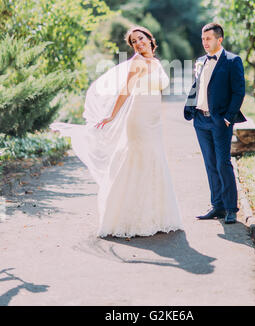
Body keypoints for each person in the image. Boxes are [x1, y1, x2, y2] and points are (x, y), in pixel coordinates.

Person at [51, 25, 183, 238]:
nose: (139, 43)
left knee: (155, 160)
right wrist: (111, 115)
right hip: (138, 120)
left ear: (150, 39)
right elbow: (125, 91)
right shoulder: (137, 63)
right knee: (138, 161)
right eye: (134, 42)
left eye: (141, 38)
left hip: (154, 121)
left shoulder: (156, 63)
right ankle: (128, 217)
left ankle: (157, 215)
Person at [184, 23, 246, 224]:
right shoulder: (200, 60)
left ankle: (230, 208)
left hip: (220, 121)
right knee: (210, 164)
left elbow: (238, 92)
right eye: (203, 39)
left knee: (223, 163)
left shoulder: (232, 61)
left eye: (208, 39)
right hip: (200, 120)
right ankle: (217, 205)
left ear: (219, 39)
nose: (205, 43)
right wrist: (190, 107)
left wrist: (228, 118)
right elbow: (197, 86)